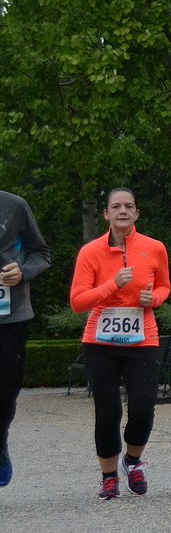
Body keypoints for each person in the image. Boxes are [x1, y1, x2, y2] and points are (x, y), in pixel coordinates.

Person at [70, 188, 171, 500]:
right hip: (99, 341)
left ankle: (133, 461)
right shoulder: (91, 252)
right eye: (116, 206)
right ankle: (109, 475)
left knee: (142, 407)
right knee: (107, 409)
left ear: (137, 213)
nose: (123, 211)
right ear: (106, 214)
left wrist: (152, 298)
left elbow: (165, 285)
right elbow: (77, 301)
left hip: (142, 338)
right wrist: (112, 285)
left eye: (129, 206)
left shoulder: (154, 248)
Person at [0, 190, 52, 487]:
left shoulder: (15, 206)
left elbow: (41, 254)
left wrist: (21, 272)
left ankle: (1, 440)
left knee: (6, 394)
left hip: (11, 317)